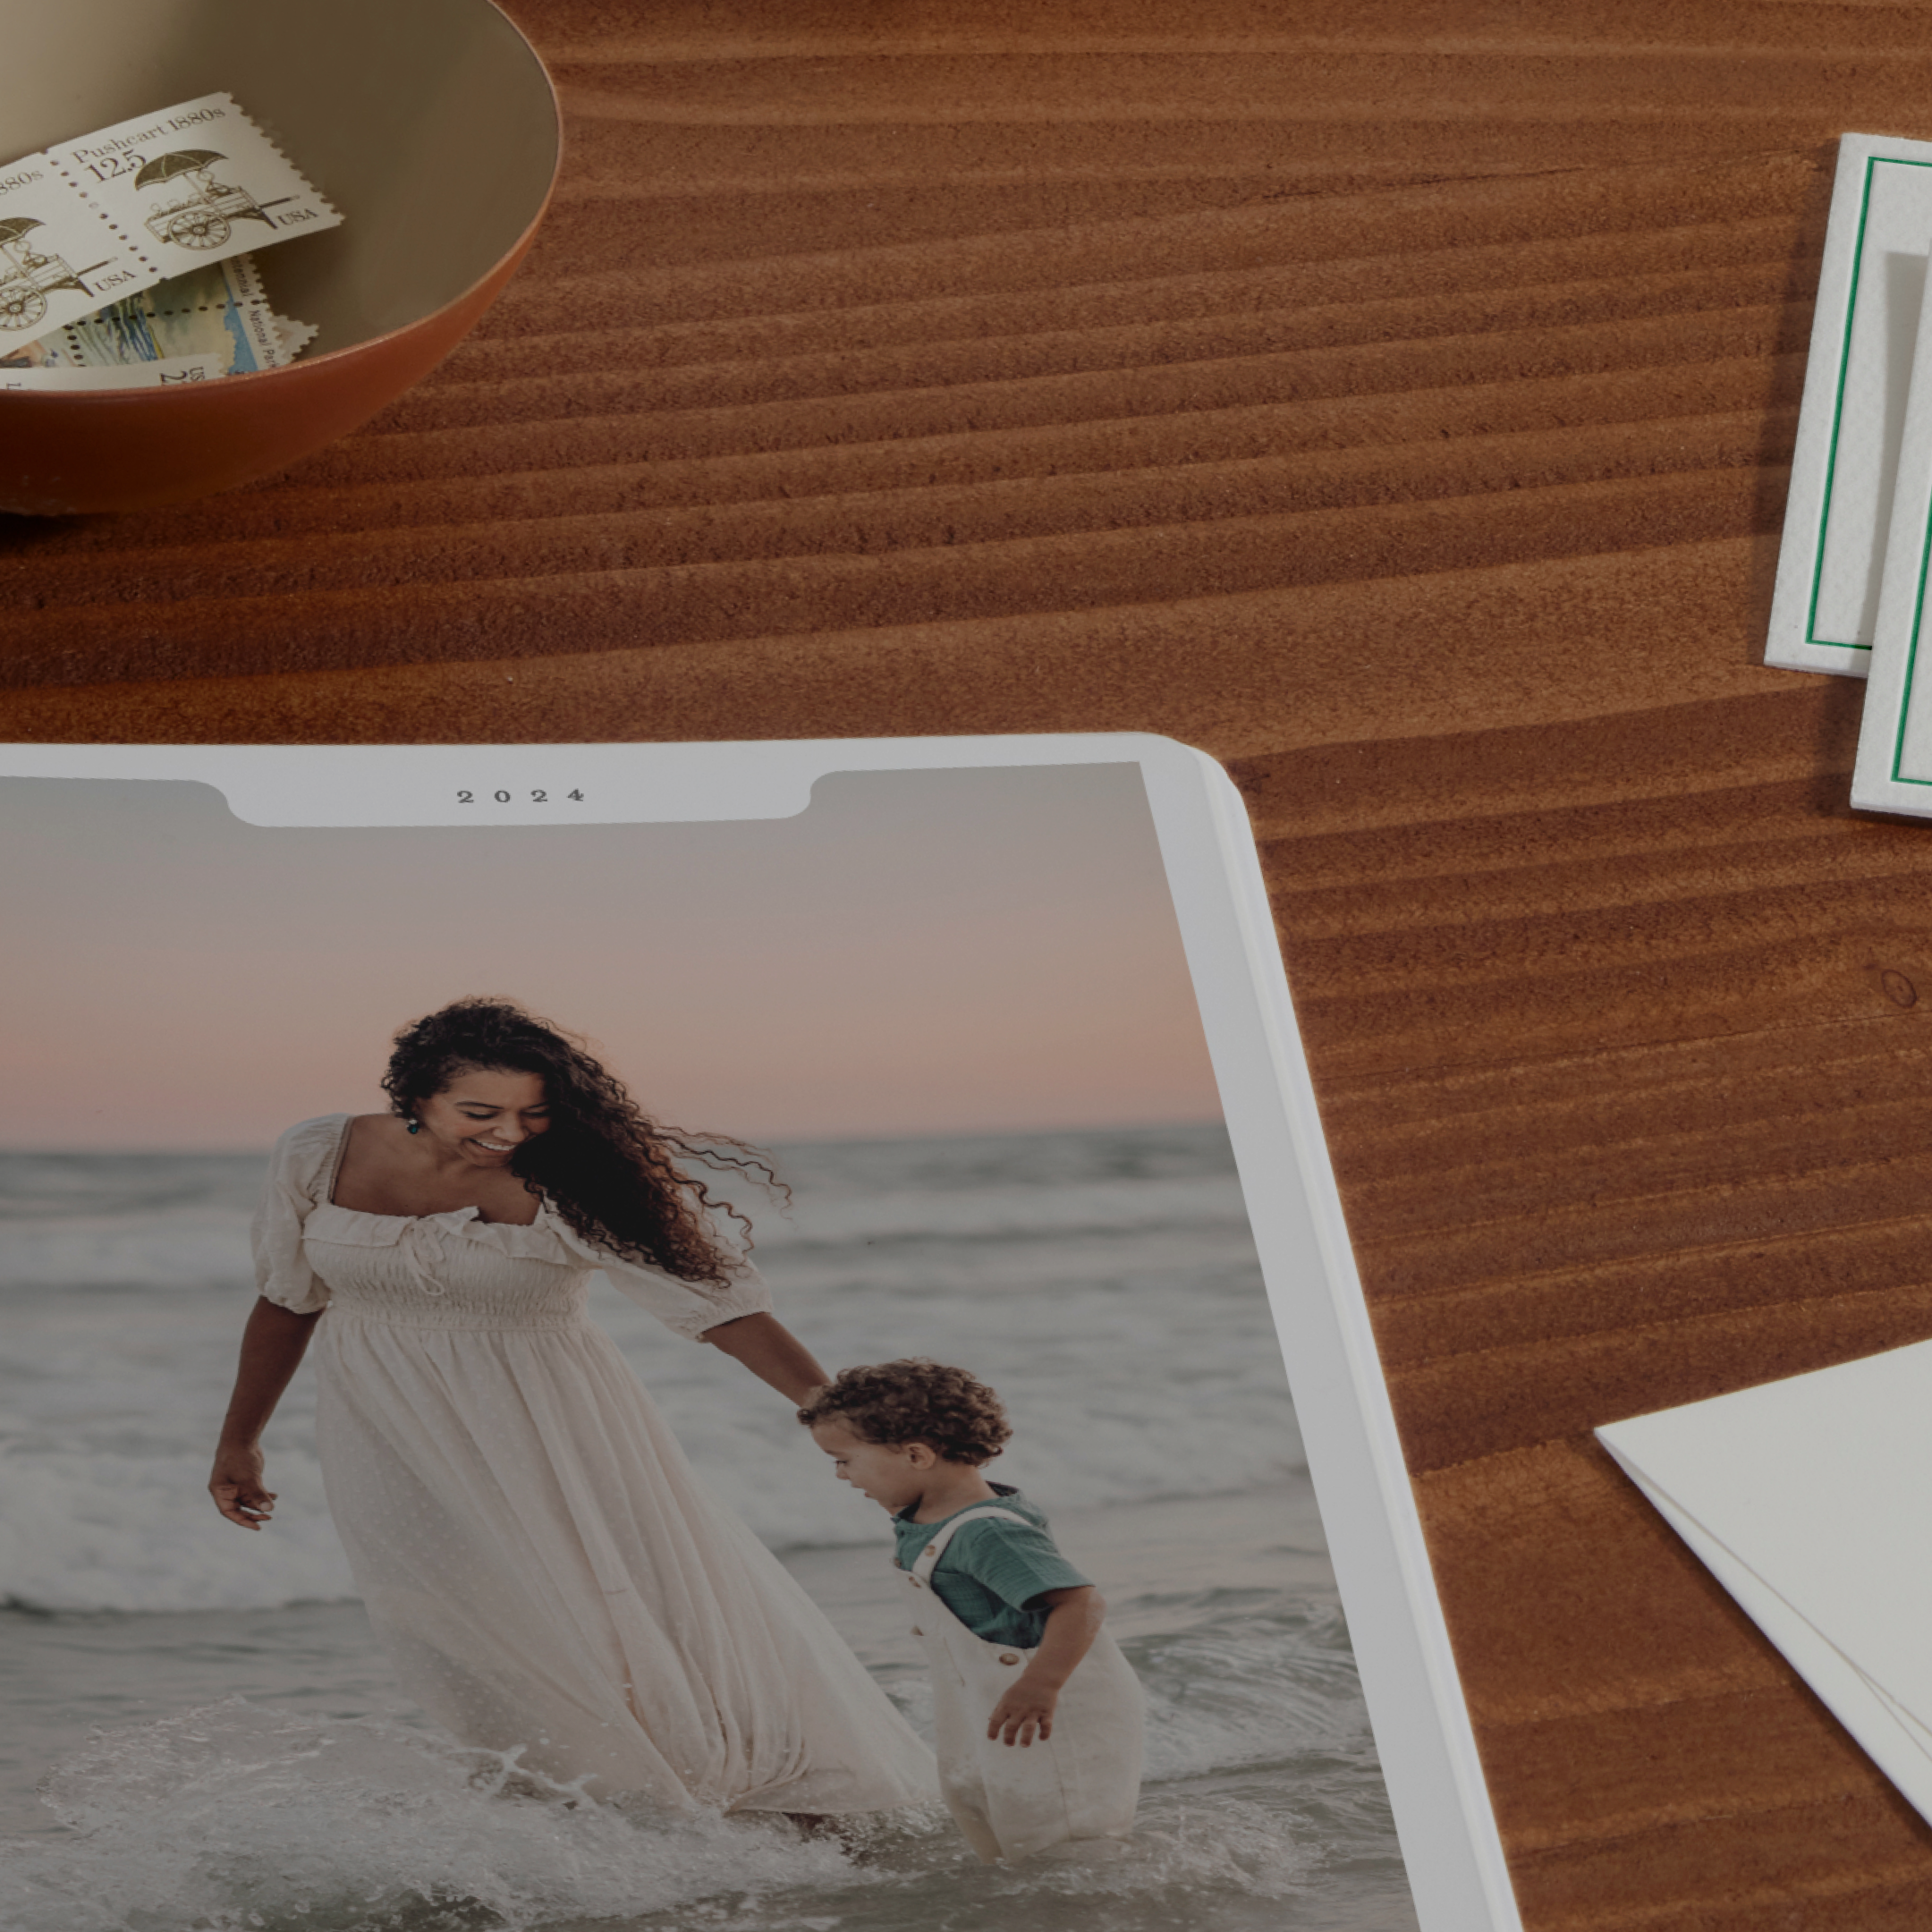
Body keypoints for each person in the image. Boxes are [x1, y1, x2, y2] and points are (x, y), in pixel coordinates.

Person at [207, 996, 936, 1821]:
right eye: (479, 1112)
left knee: (612, 1613)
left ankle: (713, 1797)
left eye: (534, 1113)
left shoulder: (575, 1178)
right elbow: (285, 1298)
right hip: (386, 1426)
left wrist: (836, 1418)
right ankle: (572, 1805)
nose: (509, 1133)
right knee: (456, 1623)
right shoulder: (317, 1153)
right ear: (413, 1096)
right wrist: (241, 1440)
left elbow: (723, 1311)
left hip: (552, 1422)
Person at [799, 1360, 1144, 1862]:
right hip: (987, 1705)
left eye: (844, 1459)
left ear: (916, 1454)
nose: (840, 1475)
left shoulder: (988, 1531)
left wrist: (1041, 1685)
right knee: (998, 1831)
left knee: (1066, 1841)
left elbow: (1081, 1601)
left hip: (1050, 1708)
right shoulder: (922, 1519)